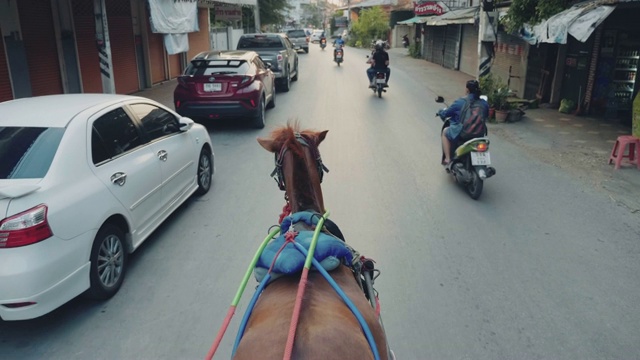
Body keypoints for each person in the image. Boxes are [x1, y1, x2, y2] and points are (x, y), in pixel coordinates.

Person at [439, 80, 489, 165]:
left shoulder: (460, 102)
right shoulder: (484, 103)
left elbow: (446, 113)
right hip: (479, 134)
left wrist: (440, 112)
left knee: (445, 132)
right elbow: (486, 115)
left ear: (467, 90)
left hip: (463, 133)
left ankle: (447, 159)